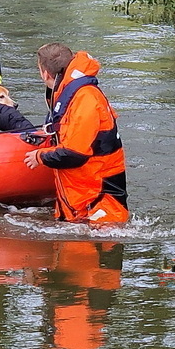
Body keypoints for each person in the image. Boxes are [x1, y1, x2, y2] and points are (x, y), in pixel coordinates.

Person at [23, 42, 129, 225]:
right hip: (80, 197)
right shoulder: (70, 94)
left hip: (100, 206)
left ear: (45, 73)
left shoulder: (85, 99)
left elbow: (75, 154)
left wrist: (40, 156)